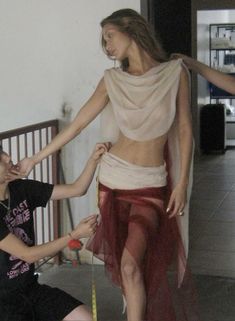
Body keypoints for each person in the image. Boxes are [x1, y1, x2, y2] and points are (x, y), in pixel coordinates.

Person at [17, 8, 197, 321]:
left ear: (132, 30)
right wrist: (35, 157)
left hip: (152, 184)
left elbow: (184, 131)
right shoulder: (112, 79)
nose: (107, 46)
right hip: (113, 181)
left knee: (131, 263)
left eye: (110, 36)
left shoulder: (175, 73)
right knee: (128, 269)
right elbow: (76, 126)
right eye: (104, 40)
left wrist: (180, 184)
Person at [0, 142, 109, 321]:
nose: (8, 157)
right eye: (0, 158)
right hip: (4, 304)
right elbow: (28, 255)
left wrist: (93, 161)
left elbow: (77, 189)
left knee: (86, 318)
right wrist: (73, 235)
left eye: (3, 151)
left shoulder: (21, 189)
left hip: (30, 289)